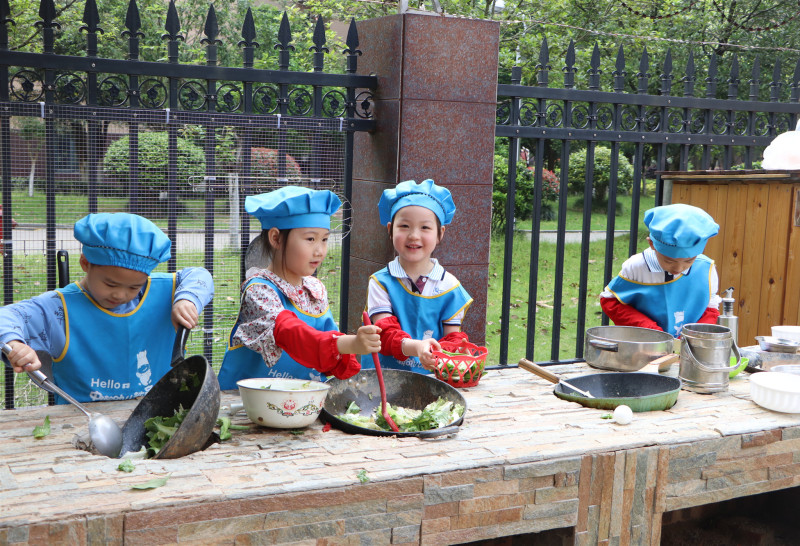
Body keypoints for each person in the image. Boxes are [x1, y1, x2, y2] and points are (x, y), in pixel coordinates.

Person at [0, 212, 214, 403]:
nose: (120, 295)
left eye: (134, 286)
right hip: (79, 422)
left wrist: (187, 299)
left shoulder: (164, 293)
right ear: (85, 264)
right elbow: (7, 316)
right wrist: (14, 343)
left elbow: (200, 275)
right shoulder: (57, 309)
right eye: (110, 284)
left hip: (155, 414)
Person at [218, 186, 380, 389]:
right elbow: (290, 333)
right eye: (310, 239)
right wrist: (351, 343)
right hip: (249, 404)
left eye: (325, 239)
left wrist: (352, 348)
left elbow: (330, 346)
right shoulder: (259, 290)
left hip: (303, 402)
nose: (320, 250)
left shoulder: (315, 289)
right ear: (276, 238)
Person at [363, 179, 473, 374]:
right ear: (390, 230)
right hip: (382, 382)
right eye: (404, 226)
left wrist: (452, 351)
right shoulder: (380, 283)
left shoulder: (450, 287)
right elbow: (385, 334)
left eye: (425, 227)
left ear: (440, 233)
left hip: (430, 383)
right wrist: (417, 348)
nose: (414, 235)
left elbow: (451, 337)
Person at [600, 203, 721, 337]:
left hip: (688, 347)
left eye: (688, 261)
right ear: (652, 244)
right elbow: (610, 301)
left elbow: (710, 308)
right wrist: (648, 329)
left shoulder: (706, 269)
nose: (678, 269)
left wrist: (693, 336)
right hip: (643, 342)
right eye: (669, 261)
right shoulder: (637, 266)